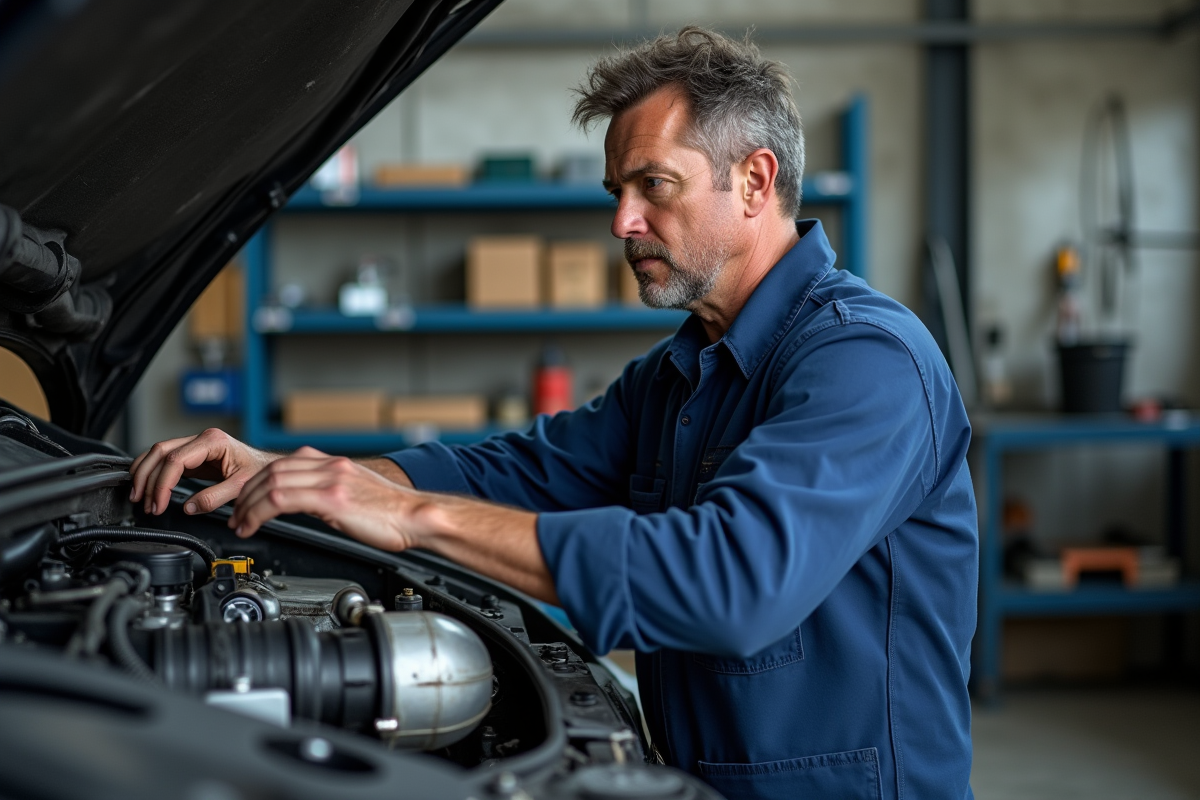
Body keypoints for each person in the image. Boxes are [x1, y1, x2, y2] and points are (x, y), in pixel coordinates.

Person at [131, 28, 977, 800]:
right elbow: (519, 471)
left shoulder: (866, 362)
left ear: (754, 180)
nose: (622, 221)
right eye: (617, 190)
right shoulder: (678, 375)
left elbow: (729, 582)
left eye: (653, 185)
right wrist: (316, 479)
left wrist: (414, 517)